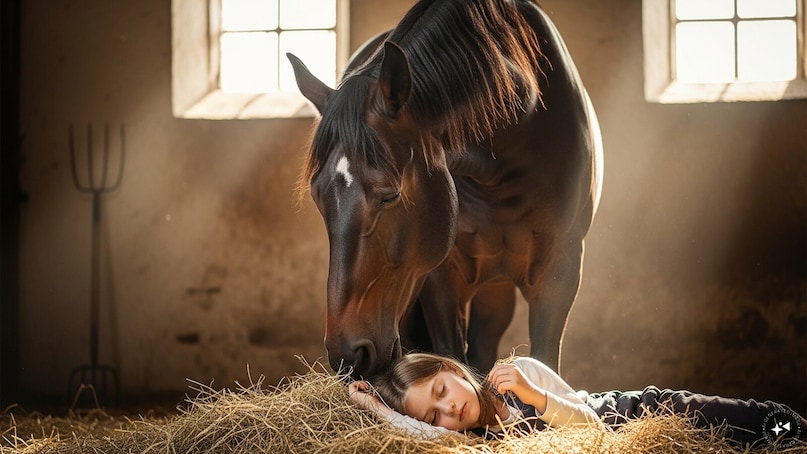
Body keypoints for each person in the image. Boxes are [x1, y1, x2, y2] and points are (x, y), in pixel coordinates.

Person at [348, 352, 807, 450]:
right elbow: (430, 437)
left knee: (732, 422)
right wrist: (380, 412)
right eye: (434, 416)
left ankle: (791, 430)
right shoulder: (477, 442)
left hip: (633, 415)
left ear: (452, 370)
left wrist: (536, 396)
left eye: (442, 392)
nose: (448, 410)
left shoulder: (517, 375)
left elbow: (591, 427)